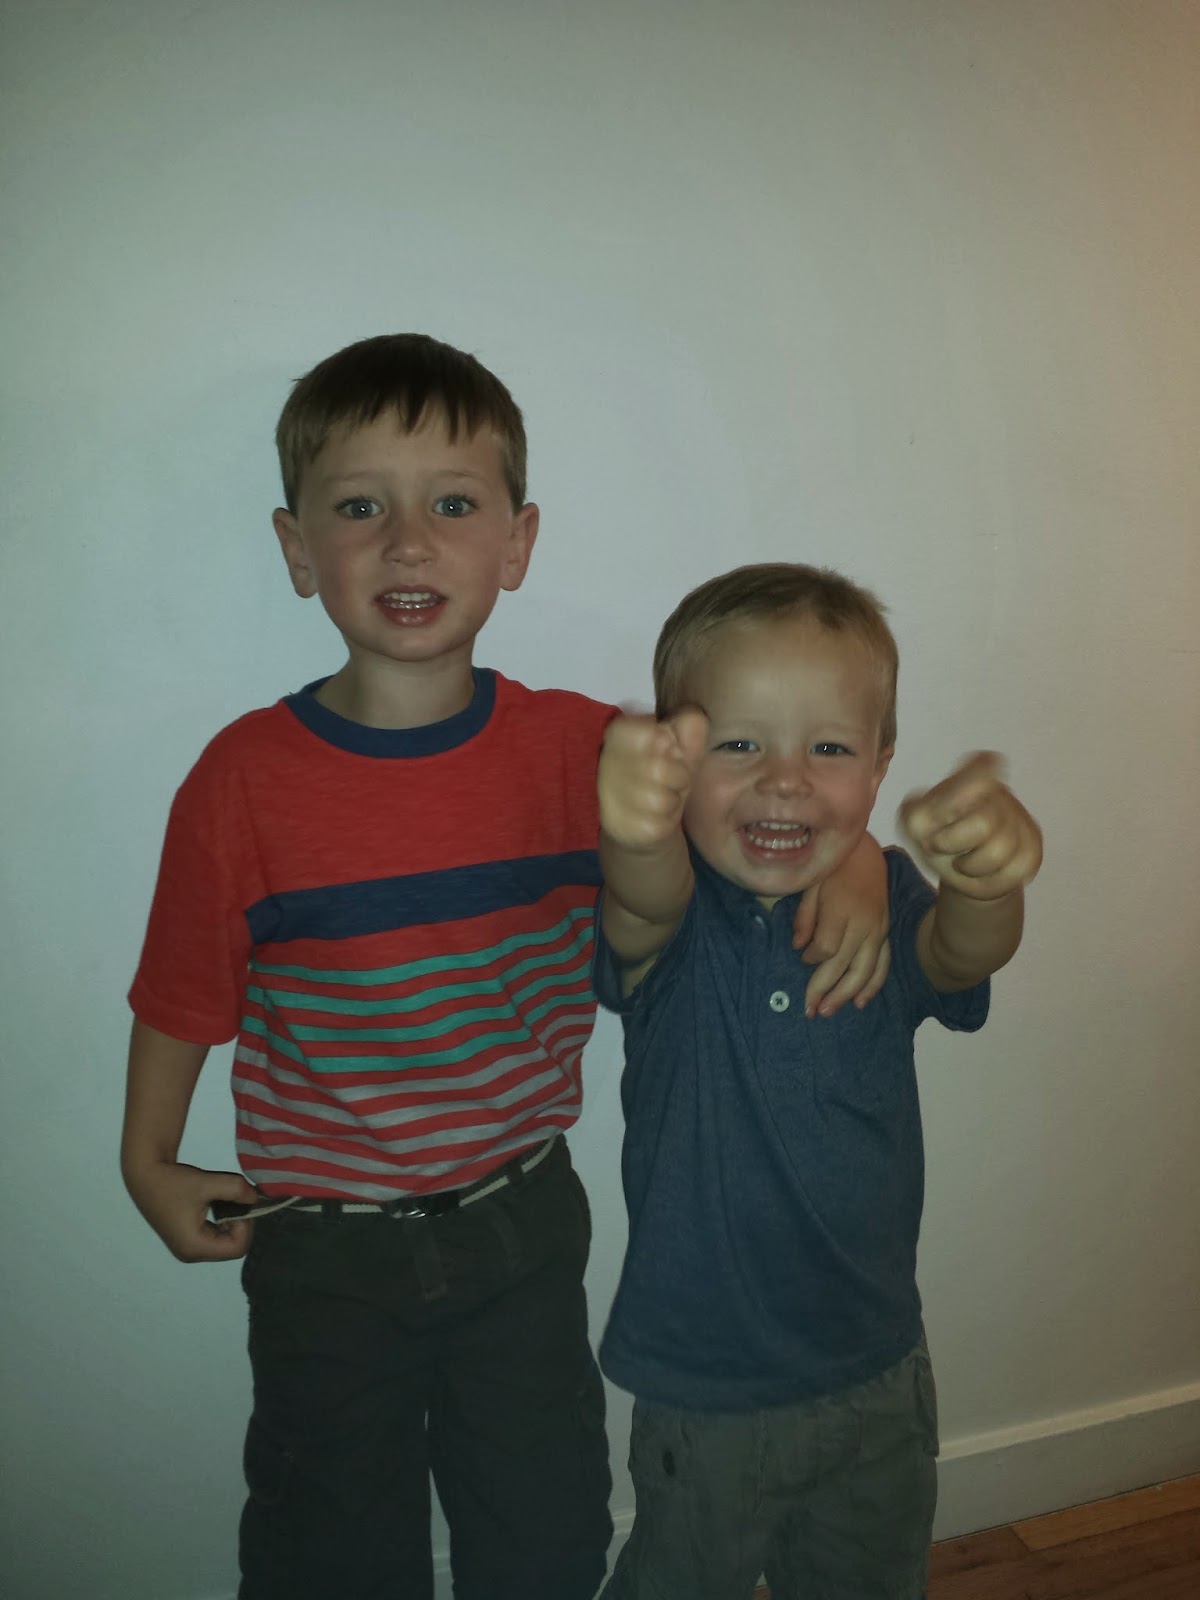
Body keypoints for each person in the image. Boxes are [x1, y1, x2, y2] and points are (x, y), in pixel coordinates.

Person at [120, 337, 890, 1600]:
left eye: (452, 503)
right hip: (324, 1252)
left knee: (545, 1533)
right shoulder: (242, 780)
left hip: (521, 1227)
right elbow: (181, 988)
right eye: (359, 507)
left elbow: (766, 800)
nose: (407, 542)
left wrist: (854, 867)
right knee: (330, 1553)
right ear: (297, 549)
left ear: (517, 543)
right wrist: (147, 1158)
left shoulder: (588, 749)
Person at [594, 562, 1043, 1600]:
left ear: (882, 765)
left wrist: (989, 886)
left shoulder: (884, 899)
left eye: (829, 748)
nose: (786, 780)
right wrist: (633, 831)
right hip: (706, 1388)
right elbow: (640, 901)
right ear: (677, 760)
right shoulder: (680, 922)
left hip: (877, 1366)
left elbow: (960, 959)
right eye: (738, 744)